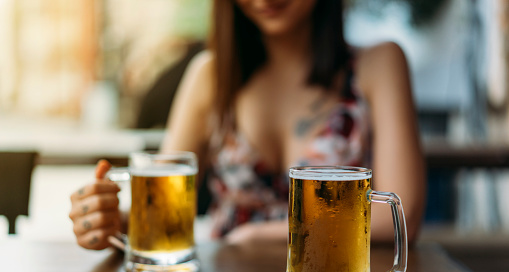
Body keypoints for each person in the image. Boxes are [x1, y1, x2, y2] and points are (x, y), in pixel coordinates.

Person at [69, 0, 426, 250]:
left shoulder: (379, 65)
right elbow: (160, 210)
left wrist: (259, 237)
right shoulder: (211, 76)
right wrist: (110, 220)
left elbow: (400, 218)